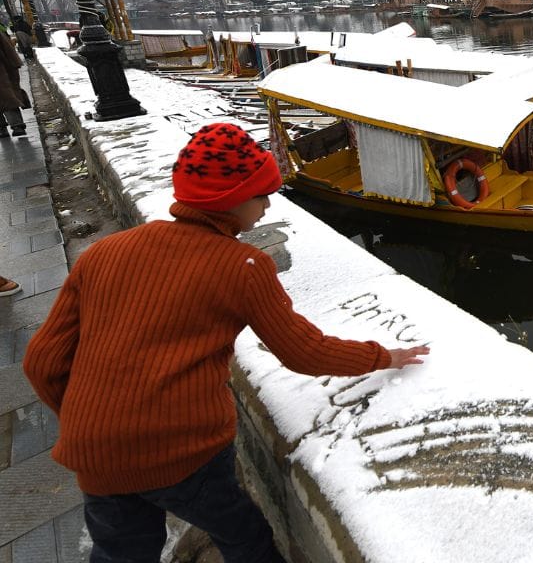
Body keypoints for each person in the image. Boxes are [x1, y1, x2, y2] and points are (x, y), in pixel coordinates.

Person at [23, 122, 430, 563]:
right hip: (182, 452)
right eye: (262, 194)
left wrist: (90, 420)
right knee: (244, 536)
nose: (268, 204)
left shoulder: (105, 253)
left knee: (121, 552)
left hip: (94, 453)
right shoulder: (243, 266)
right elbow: (304, 353)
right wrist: (384, 355)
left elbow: (41, 362)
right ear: (231, 200)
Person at [0, 23, 27, 137]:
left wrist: (14, 65)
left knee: (8, 98)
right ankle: (2, 128)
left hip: (3, 72)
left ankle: (17, 125)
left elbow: (8, 50)